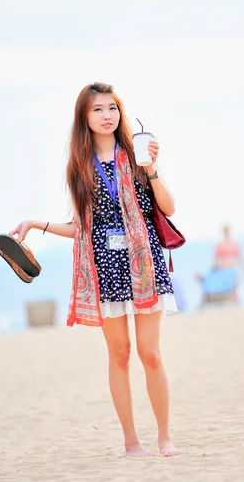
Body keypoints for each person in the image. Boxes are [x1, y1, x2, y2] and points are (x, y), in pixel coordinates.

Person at [9, 82, 181, 458]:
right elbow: (81, 228)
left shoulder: (138, 155)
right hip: (104, 264)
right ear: (84, 118)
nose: (107, 116)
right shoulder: (80, 168)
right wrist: (37, 224)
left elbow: (168, 207)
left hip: (144, 261)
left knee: (150, 353)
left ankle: (165, 437)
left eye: (112, 109)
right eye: (98, 110)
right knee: (119, 354)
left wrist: (151, 168)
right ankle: (131, 442)